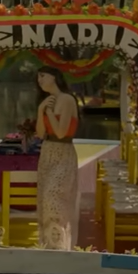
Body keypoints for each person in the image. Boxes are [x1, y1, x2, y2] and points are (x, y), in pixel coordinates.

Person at [34, 65, 80, 250]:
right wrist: (40, 110)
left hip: (63, 152)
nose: (40, 80)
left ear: (54, 77)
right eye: (38, 77)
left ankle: (60, 246)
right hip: (47, 152)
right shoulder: (46, 101)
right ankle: (47, 246)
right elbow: (40, 133)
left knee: (53, 196)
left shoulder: (67, 99)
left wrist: (49, 112)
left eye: (42, 75)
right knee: (44, 200)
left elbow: (61, 133)